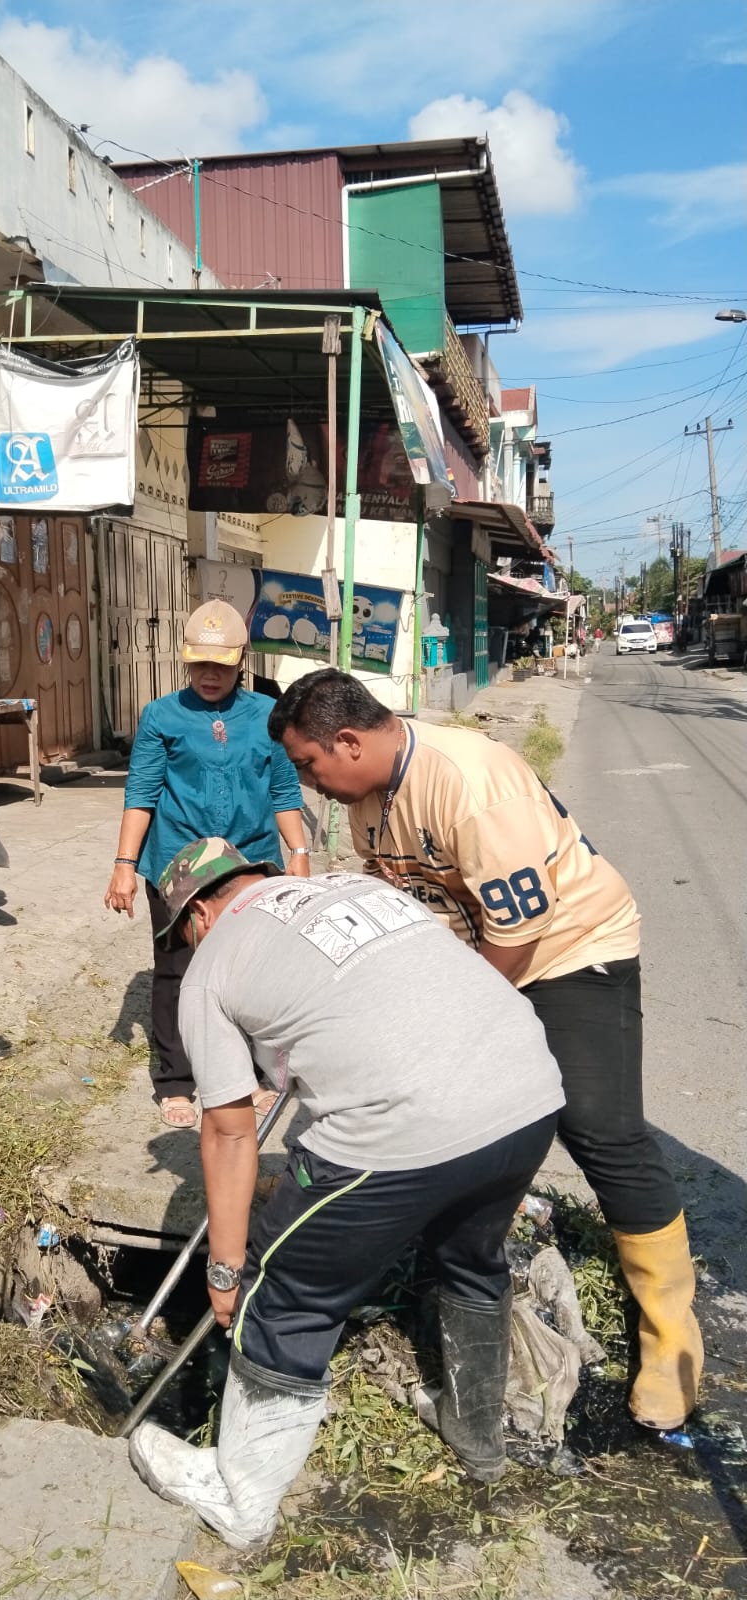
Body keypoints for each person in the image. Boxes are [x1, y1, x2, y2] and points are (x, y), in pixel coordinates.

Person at [267, 669, 703, 1433]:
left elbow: (517, 932)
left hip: (569, 950)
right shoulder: (366, 797)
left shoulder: (472, 782)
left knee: (601, 1128)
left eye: (309, 764)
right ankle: (454, 1254)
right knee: (450, 1112)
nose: (308, 781)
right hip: (480, 953)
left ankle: (671, 1338)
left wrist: (458, 1018)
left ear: (348, 740)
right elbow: (408, 904)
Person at [127, 839, 563, 1549]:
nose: (187, 945)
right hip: (528, 1093)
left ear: (200, 914)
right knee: (469, 1258)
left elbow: (231, 1134)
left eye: (182, 933)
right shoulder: (355, 892)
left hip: (403, 1125)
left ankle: (240, 1499)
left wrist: (226, 1268)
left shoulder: (210, 964)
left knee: (284, 1287)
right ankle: (476, 1438)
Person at [104, 601, 308, 1127]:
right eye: (199, 663)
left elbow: (284, 790)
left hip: (251, 864)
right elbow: (142, 792)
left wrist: (300, 855)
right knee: (176, 970)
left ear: (241, 660)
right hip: (177, 864)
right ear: (187, 661)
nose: (209, 675)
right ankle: (176, 1080)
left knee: (253, 972)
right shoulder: (162, 715)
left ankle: (256, 1074)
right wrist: (125, 864)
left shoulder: (268, 716)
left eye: (221, 664)